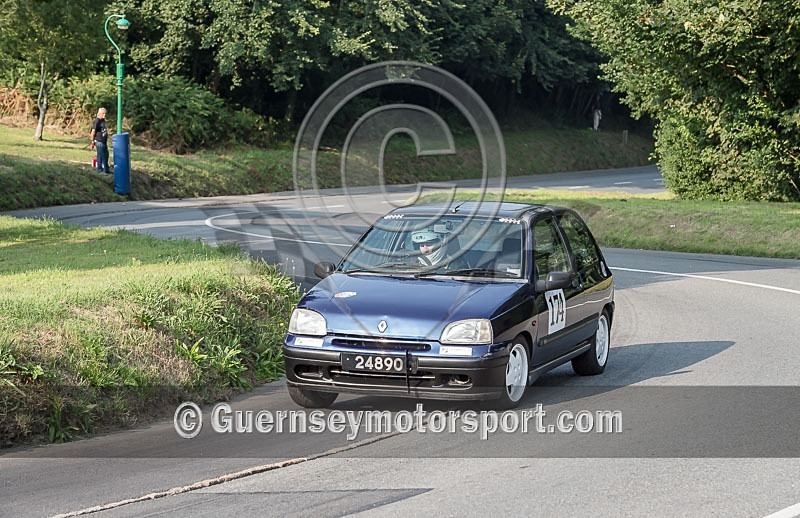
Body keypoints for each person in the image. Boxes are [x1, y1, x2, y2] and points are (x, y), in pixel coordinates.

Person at [90, 107, 110, 174]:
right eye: (103, 113)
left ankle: (106, 169)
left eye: (105, 113)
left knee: (106, 155)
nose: (104, 115)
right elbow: (93, 131)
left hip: (104, 141)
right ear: (99, 114)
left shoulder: (103, 120)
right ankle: (99, 170)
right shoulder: (97, 121)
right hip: (99, 141)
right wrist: (92, 141)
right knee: (100, 155)